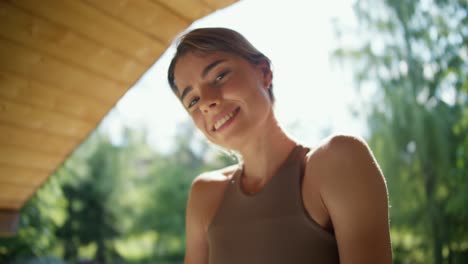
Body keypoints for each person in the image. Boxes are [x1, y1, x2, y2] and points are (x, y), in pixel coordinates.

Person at [167, 27, 392, 264]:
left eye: (220, 76)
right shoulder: (205, 195)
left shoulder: (338, 161)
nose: (206, 102)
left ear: (264, 72)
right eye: (192, 100)